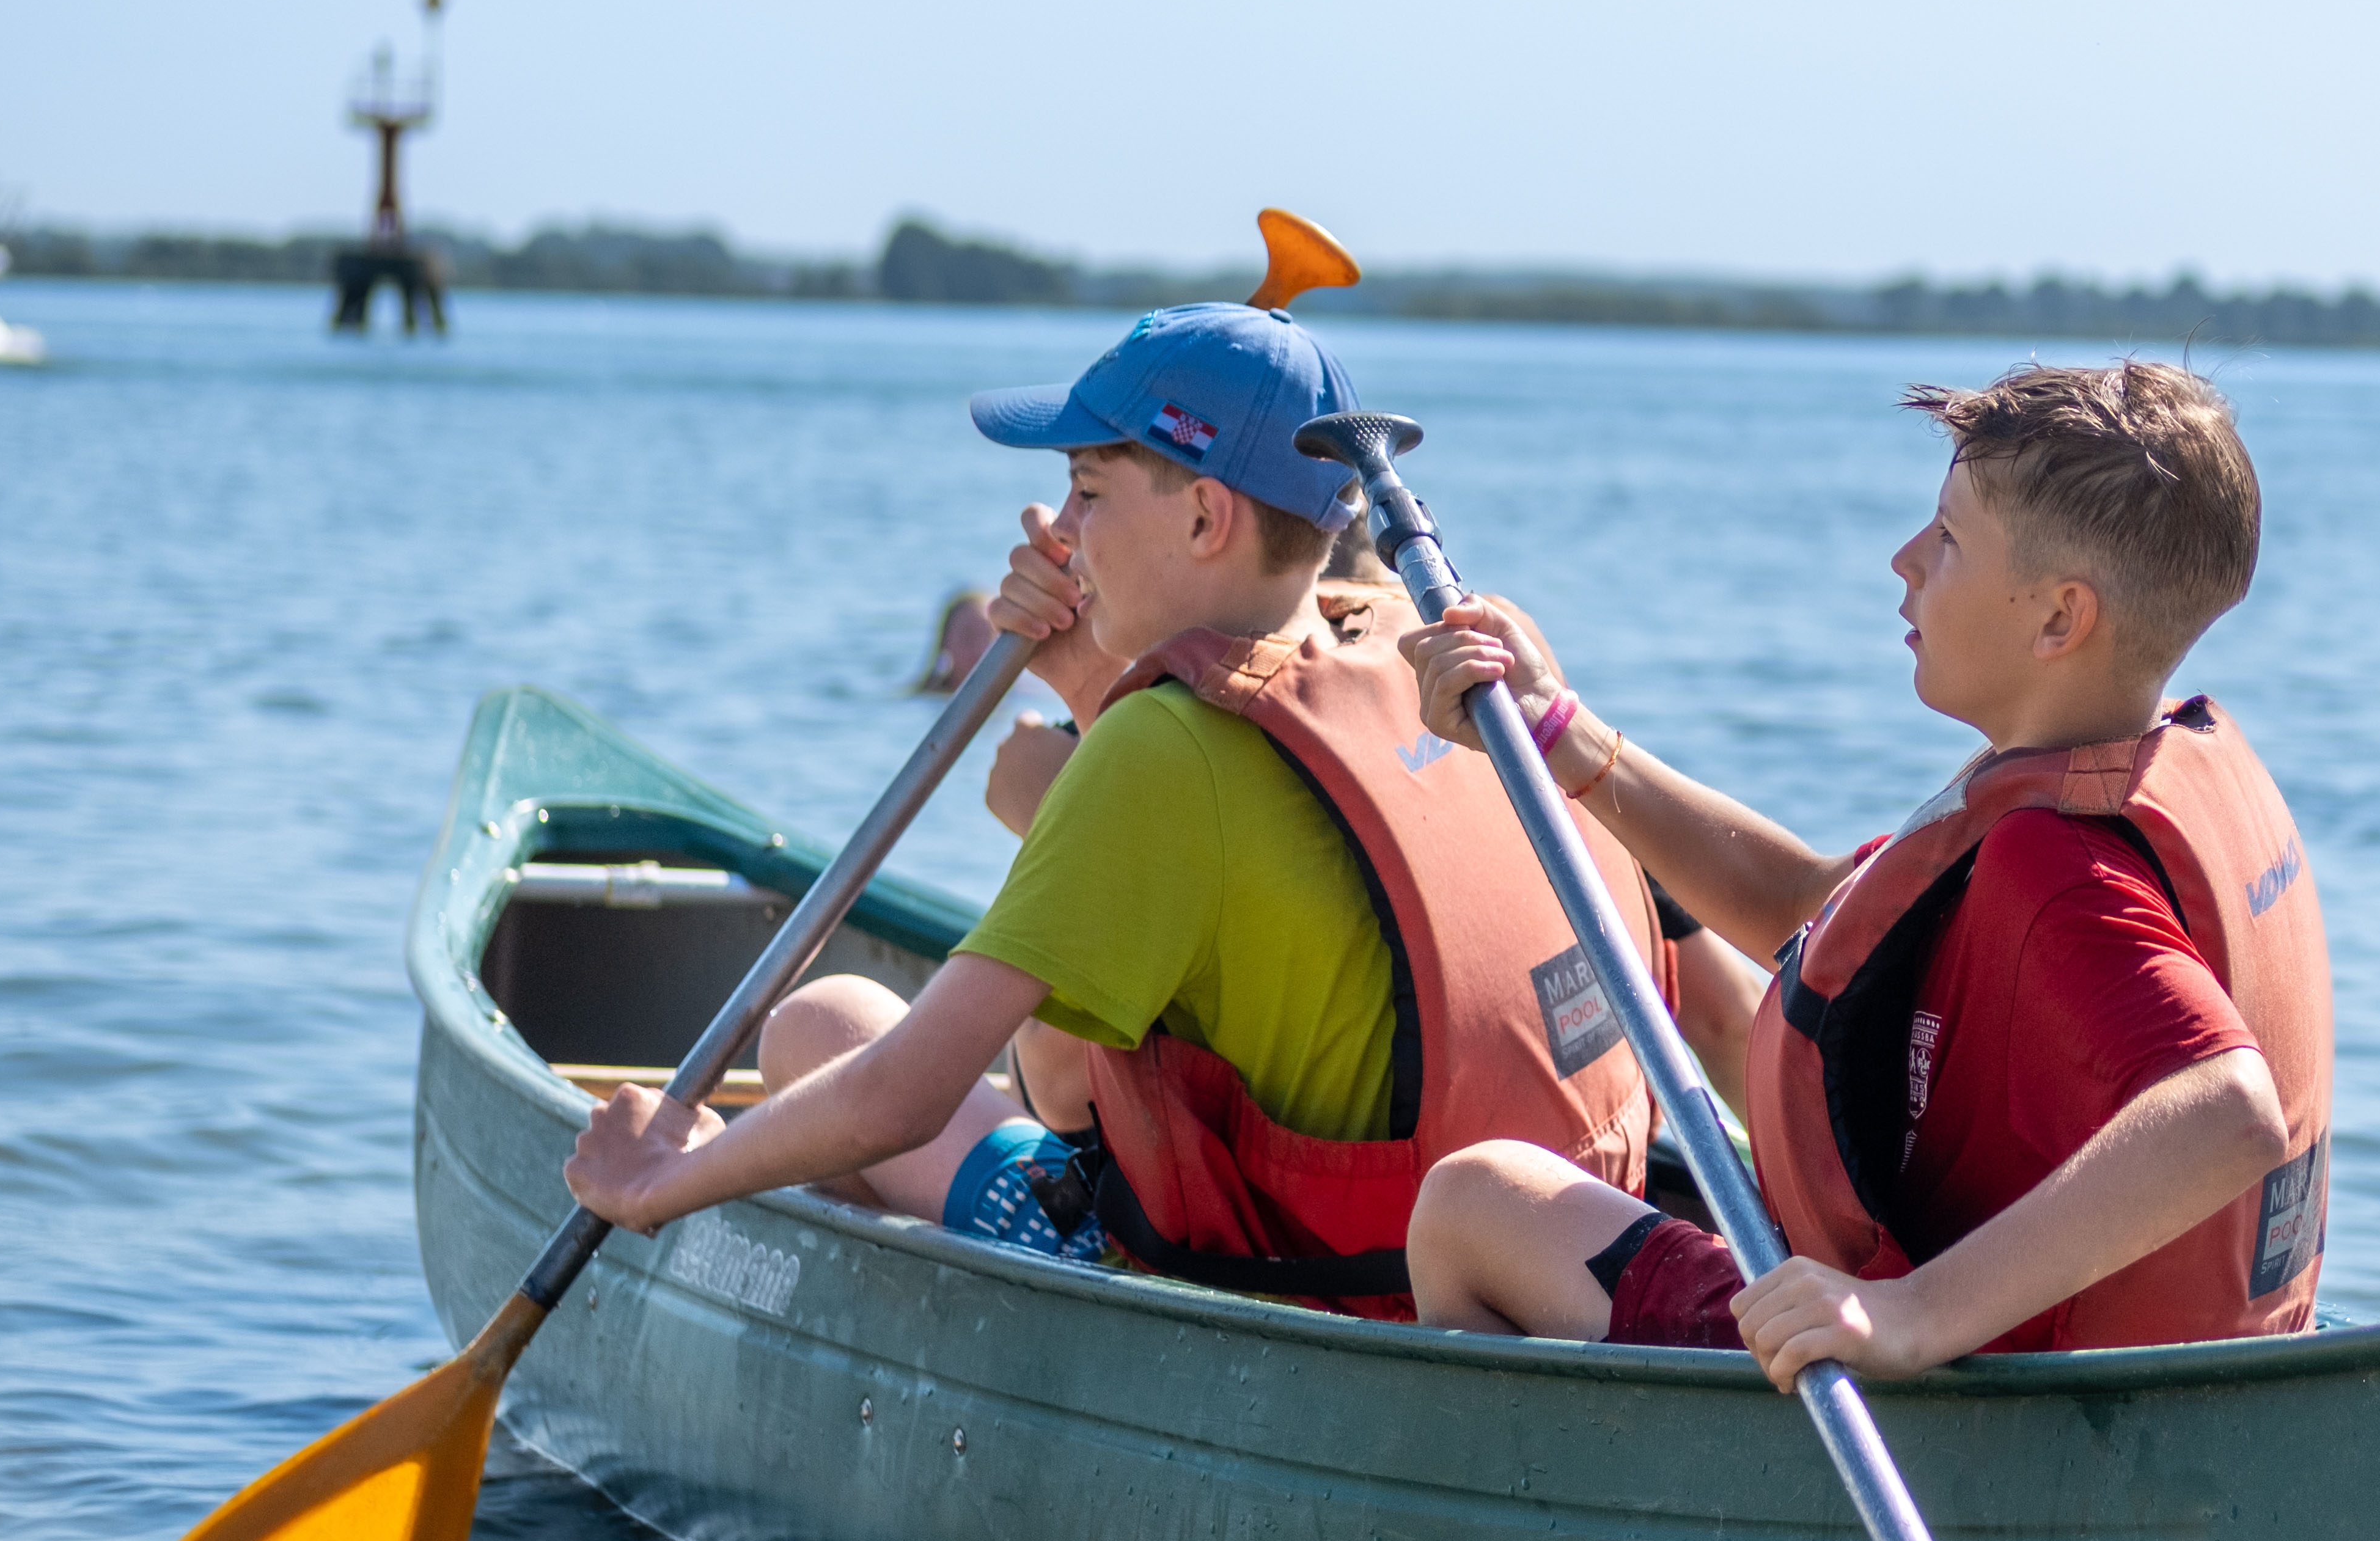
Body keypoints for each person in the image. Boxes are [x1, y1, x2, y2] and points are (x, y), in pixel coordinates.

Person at [564, 301, 1694, 1305]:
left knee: (824, 1029)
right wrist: (1082, 669)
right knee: (843, 1033)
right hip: (1514, 1253)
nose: (1060, 534)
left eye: (1089, 491)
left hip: (1272, 1290)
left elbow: (917, 1095)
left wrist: (668, 1175)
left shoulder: (1157, 748)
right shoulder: (1425, 649)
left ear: (1207, 517)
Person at [1397, 359, 2331, 1386]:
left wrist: (1908, 1314)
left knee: (1473, 1206)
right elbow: (1809, 911)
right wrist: (1561, 733)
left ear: (2059, 620)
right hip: (2064, 1386)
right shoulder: (2101, 765)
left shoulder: (2062, 867)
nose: (1902, 560)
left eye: (1948, 539)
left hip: (1941, 1413)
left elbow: (2229, 1109)